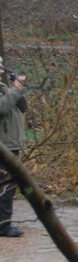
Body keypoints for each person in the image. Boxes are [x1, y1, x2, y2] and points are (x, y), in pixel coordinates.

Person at [0, 59, 28, 238]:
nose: (2, 70)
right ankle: (4, 226)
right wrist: (15, 90)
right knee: (7, 186)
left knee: (8, 186)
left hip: (10, 145)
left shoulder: (4, 88)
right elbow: (2, 108)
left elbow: (23, 108)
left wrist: (16, 87)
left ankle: (3, 223)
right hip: (4, 147)